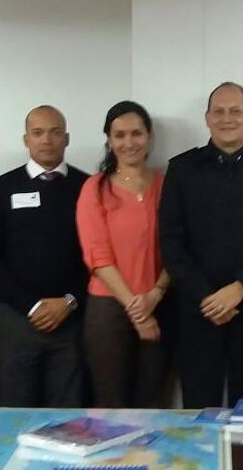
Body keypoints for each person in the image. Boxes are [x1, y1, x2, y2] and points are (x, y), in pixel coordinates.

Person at [159, 82, 243, 408]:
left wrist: (240, 287)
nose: (227, 119)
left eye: (235, 111)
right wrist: (207, 296)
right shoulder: (182, 170)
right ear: (207, 119)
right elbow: (171, 241)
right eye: (218, 112)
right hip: (198, 310)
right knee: (198, 407)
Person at [0, 105, 91, 408]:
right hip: (17, 318)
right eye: (38, 132)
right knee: (16, 411)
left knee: (68, 415)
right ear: (25, 139)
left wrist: (69, 301)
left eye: (55, 132)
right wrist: (31, 305)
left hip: (71, 318)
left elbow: (96, 256)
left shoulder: (87, 187)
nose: (47, 140)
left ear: (66, 139)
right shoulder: (1, 188)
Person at [76, 101, 171, 408]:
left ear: (149, 136)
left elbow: (178, 248)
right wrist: (136, 309)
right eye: (119, 135)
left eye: (136, 133)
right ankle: (115, 460)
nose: (128, 143)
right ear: (109, 140)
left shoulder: (167, 185)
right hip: (109, 308)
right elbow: (98, 256)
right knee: (111, 402)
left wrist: (155, 294)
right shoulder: (95, 188)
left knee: (153, 402)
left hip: (160, 302)